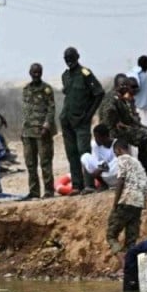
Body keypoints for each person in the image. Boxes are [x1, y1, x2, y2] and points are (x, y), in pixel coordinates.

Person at [59, 47, 105, 193]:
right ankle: (77, 185)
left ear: (77, 57)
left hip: (82, 121)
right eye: (66, 59)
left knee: (84, 152)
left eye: (72, 58)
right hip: (67, 120)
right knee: (71, 153)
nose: (69, 61)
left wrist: (89, 115)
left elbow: (99, 93)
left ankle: (89, 184)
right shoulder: (65, 76)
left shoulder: (85, 73)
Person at [21, 62, 57, 199]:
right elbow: (25, 111)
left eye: (39, 72)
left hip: (43, 132)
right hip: (28, 132)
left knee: (45, 162)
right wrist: (22, 130)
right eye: (34, 72)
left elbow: (51, 108)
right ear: (30, 73)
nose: (36, 75)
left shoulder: (46, 89)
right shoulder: (26, 89)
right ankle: (34, 192)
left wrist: (47, 125)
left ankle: (48, 191)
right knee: (30, 164)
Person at [107, 139, 147, 255]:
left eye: (115, 153)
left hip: (126, 200)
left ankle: (123, 263)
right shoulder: (137, 163)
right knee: (131, 241)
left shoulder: (122, 159)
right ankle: (132, 267)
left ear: (118, 150)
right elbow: (144, 185)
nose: (116, 156)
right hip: (138, 203)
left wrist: (115, 203)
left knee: (111, 235)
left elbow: (121, 181)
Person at [81, 123, 118, 190]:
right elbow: (96, 163)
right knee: (85, 157)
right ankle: (104, 184)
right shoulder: (95, 145)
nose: (95, 139)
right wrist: (101, 167)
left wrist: (102, 167)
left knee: (119, 160)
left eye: (97, 137)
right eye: (95, 137)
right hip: (105, 174)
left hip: (116, 174)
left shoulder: (117, 144)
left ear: (105, 136)